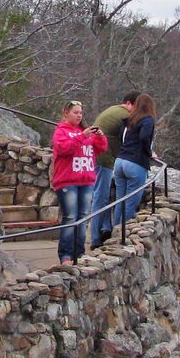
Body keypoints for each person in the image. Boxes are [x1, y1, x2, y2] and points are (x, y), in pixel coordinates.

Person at [51, 100, 108, 265]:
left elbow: (101, 148)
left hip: (86, 180)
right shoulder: (61, 131)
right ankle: (66, 255)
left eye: (81, 113)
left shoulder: (85, 133)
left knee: (83, 217)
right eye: (75, 112)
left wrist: (100, 136)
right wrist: (82, 136)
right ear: (66, 113)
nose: (79, 115)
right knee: (70, 217)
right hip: (67, 181)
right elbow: (63, 149)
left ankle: (79, 253)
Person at [90, 91, 140, 248]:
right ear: (130, 104)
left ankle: (105, 227)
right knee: (101, 197)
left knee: (104, 194)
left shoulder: (114, 110)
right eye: (137, 106)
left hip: (97, 155)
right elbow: (129, 140)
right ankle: (95, 239)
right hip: (104, 158)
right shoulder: (125, 116)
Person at [113, 93, 157, 227]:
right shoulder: (148, 120)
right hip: (135, 163)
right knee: (131, 201)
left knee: (120, 200)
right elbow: (144, 137)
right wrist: (149, 152)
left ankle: (116, 229)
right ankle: (122, 235)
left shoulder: (129, 119)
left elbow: (122, 138)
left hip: (120, 161)